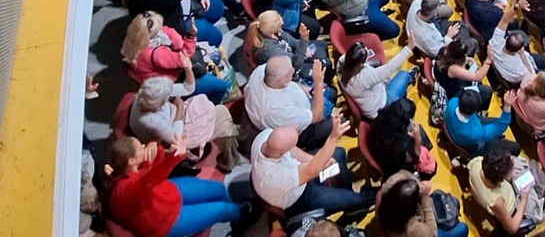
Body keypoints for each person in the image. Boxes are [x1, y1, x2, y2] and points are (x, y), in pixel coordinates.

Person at [105, 135, 245, 237]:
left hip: (166, 192)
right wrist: (176, 156)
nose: (144, 146)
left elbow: (155, 171)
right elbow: (150, 179)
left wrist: (156, 146)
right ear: (131, 161)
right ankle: (240, 213)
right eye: (140, 147)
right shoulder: (124, 190)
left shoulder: (132, 168)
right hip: (165, 221)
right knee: (223, 209)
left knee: (219, 189)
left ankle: (234, 212)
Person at [250, 112, 375, 216]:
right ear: (281, 153)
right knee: (356, 199)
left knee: (339, 153)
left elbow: (292, 151)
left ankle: (346, 190)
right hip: (299, 197)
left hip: (296, 174)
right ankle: (362, 201)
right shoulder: (274, 177)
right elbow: (312, 170)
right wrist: (333, 138)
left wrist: (313, 159)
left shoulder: (266, 136)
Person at [129, 75, 239, 173]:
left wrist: (188, 69)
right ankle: (230, 159)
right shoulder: (151, 120)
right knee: (223, 115)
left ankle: (231, 151)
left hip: (175, 118)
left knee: (212, 107)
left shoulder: (148, 93)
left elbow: (187, 89)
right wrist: (180, 106)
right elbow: (177, 137)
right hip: (175, 135)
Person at [121, 11, 229, 103]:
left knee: (215, 57)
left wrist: (177, 41)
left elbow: (168, 31)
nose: (162, 28)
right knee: (220, 87)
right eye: (158, 28)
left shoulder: (135, 39)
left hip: (151, 77)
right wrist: (191, 36)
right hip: (169, 85)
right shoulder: (158, 55)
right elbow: (185, 56)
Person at [244, 57, 333, 151]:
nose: (293, 71)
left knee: (330, 91)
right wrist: (318, 83)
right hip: (304, 126)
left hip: (302, 103)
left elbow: (284, 79)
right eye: (289, 73)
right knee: (333, 120)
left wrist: (301, 87)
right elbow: (317, 116)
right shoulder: (278, 110)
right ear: (279, 81)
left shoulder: (261, 72)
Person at [337, 35, 418, 120]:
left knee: (390, 81)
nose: (368, 50)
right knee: (403, 75)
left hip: (371, 96)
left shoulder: (340, 63)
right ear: (361, 63)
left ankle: (401, 96)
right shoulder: (365, 77)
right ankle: (411, 77)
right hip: (381, 107)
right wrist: (408, 49)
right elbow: (389, 68)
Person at [490, 0, 545, 87]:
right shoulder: (519, 67)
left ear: (506, 39)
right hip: (527, 70)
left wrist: (516, 6)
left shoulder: (495, 42)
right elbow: (533, 76)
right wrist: (522, 56)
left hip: (516, 62)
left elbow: (504, 20)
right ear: (519, 49)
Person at [378, 170, 469, 237]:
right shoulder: (412, 228)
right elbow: (432, 232)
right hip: (423, 230)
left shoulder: (387, 190)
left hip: (390, 224)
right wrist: (425, 196)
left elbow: (404, 173)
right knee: (463, 228)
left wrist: (419, 185)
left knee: (454, 202)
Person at [468, 150, 534, 236]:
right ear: (500, 179)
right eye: (511, 171)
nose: (513, 172)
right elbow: (512, 229)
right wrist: (524, 199)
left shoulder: (476, 164)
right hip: (510, 211)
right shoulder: (496, 201)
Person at [368, 98, 436, 179]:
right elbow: (414, 159)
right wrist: (417, 140)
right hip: (389, 164)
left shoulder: (384, 114)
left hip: (377, 143)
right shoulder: (402, 146)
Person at [242, 10, 330, 72]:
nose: (282, 26)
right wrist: (304, 40)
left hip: (293, 55)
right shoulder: (270, 50)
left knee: (323, 45)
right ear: (272, 30)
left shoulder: (275, 31)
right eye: (279, 26)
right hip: (288, 71)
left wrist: (304, 49)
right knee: (327, 63)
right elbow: (296, 64)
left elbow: (293, 41)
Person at [444, 89, 521, 156]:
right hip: (476, 145)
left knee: (496, 121)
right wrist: (507, 106)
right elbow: (500, 126)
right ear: (474, 112)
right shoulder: (475, 133)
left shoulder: (452, 102)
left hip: (462, 128)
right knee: (516, 147)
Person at [406, 0, 473, 58]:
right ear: (434, 13)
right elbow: (437, 52)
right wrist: (448, 36)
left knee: (461, 25)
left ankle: (463, 41)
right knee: (470, 41)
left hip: (437, 26)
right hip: (442, 43)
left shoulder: (416, 3)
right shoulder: (426, 37)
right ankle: (462, 48)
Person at [434, 39, 493, 106]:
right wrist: (489, 59)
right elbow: (477, 77)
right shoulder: (453, 69)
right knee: (486, 90)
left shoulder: (444, 51)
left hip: (447, 81)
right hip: (452, 92)